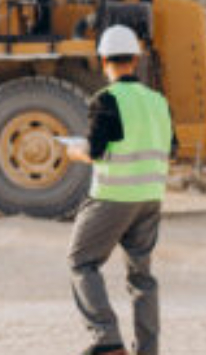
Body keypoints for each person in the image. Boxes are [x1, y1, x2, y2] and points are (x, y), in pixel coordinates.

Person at [63, 24, 176, 355]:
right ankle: (147, 349)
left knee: (81, 262)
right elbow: (171, 148)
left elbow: (95, 151)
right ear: (136, 59)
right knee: (142, 278)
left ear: (102, 60)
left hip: (113, 197)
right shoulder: (158, 102)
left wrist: (74, 150)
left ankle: (107, 340)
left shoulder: (106, 100)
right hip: (150, 198)